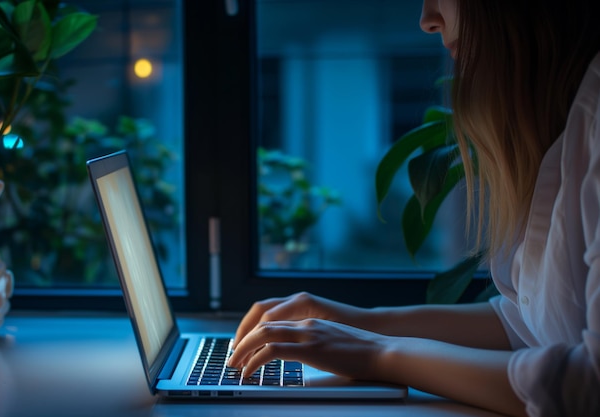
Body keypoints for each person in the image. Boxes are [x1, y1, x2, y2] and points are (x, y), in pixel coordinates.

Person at [227, 1, 600, 416]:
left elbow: (590, 383)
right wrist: (355, 322)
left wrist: (378, 353)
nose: (426, 20)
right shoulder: (566, 121)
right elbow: (523, 325)